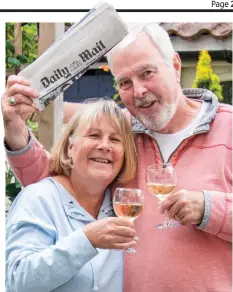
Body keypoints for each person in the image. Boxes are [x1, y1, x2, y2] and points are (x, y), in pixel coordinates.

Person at [2, 23, 232, 292]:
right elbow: (66, 182)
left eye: (147, 73)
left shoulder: (228, 128)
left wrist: (209, 208)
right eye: (125, 82)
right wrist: (17, 134)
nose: (139, 91)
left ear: (175, 65)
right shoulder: (120, 131)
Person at [5, 99, 138, 292]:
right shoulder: (39, 198)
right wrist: (86, 240)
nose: (104, 146)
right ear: (70, 148)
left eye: (115, 140)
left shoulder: (123, 207)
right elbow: (18, 280)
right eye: (94, 135)